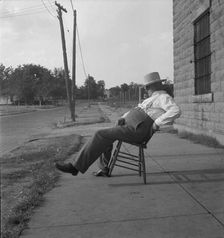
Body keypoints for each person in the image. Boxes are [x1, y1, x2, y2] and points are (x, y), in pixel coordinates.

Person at [55, 72, 181, 177]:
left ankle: (75, 167)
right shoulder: (152, 98)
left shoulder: (163, 97)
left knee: (100, 134)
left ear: (154, 86)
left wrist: (157, 123)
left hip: (138, 130)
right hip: (131, 126)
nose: (146, 89)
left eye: (148, 87)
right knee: (106, 135)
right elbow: (139, 110)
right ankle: (104, 168)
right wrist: (122, 118)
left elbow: (175, 110)